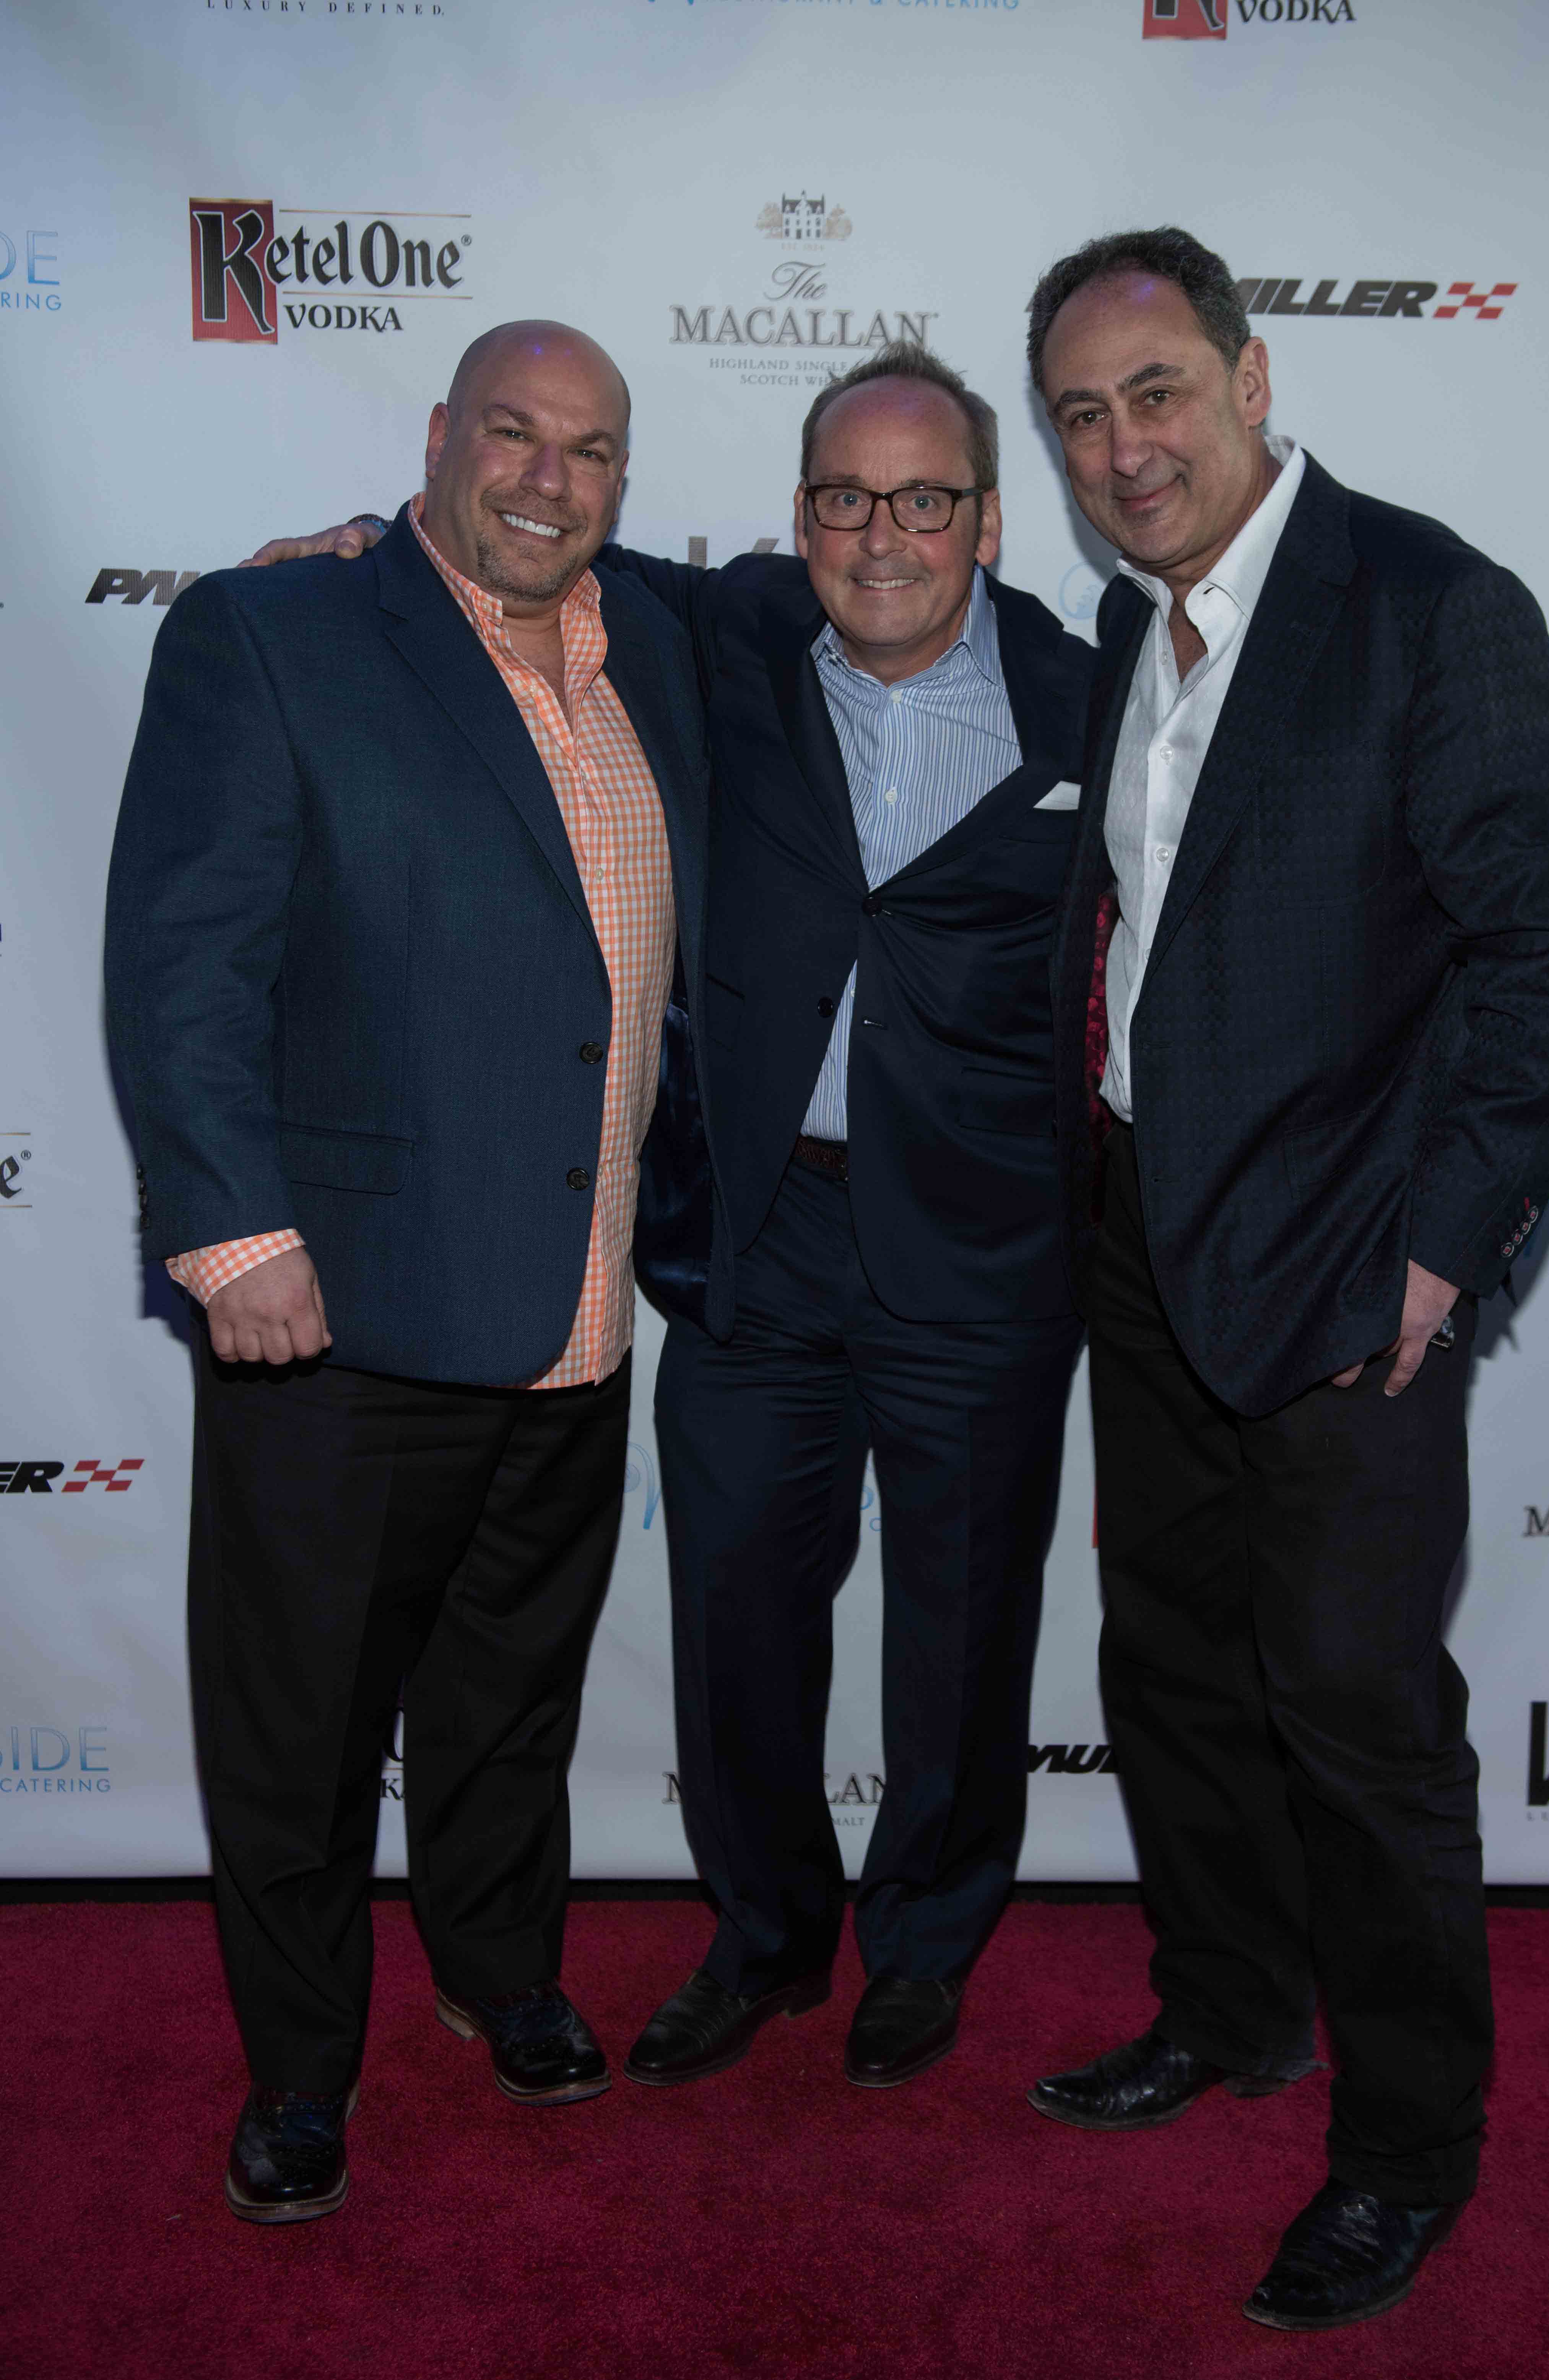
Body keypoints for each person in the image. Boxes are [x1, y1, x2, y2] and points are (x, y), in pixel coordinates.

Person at [254, 343, 1096, 2091]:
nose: (884, 535)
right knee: (738, 1624)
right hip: (763, 1244)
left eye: (925, 498)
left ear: (990, 520)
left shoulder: (1089, 702)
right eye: (846, 497)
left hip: (984, 1259)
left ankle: (925, 1942)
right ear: (799, 517)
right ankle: (768, 1936)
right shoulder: (723, 633)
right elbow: (520, 537)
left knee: (964, 1632)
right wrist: (360, 540)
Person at [1022, 229, 1549, 2329]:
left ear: (1254, 379)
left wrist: (1447, 1242)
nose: (1124, 447)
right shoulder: (1130, 629)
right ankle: (1231, 2006)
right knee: (1175, 1666)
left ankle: (1405, 2150)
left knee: (1360, 1719)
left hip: (1357, 1268)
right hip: (1142, 1240)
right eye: (1081, 416)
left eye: (1157, 392)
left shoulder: (1425, 606)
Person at [105, 321, 712, 2224]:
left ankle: (500, 1970)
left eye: (590, 450)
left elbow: (860, 580)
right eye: (512, 433)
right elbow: (185, 957)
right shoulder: (272, 632)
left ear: (625, 482)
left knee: (509, 1690)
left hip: (578, 1299)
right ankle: (301, 2071)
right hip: (342, 1310)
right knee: (299, 1721)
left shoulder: (663, 638)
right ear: (439, 436)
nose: (548, 478)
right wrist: (235, 1233)